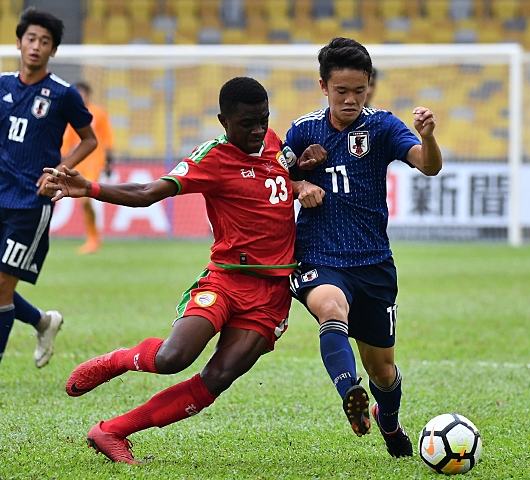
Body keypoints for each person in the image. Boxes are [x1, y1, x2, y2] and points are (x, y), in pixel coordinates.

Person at [44, 76, 324, 464]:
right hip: (226, 280)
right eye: (247, 124)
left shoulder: (275, 144)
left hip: (271, 295)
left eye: (263, 120)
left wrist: (301, 176)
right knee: (173, 357)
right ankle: (117, 360)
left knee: (217, 378)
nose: (258, 130)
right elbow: (147, 193)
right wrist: (91, 188)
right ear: (224, 121)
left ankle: (112, 431)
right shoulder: (213, 157)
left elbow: (277, 177)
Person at [285, 37, 442, 458]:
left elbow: (428, 165)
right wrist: (299, 185)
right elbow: (273, 180)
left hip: (373, 263)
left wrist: (428, 138)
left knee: (383, 370)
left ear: (369, 86)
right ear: (324, 86)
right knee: (330, 307)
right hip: (318, 255)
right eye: (342, 91)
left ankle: (388, 420)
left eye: (360, 90)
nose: (351, 99)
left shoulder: (383, 126)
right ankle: (349, 392)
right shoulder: (302, 131)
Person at [0, 8, 97, 367]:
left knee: (2, 286)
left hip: (31, 202)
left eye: (45, 41)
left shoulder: (63, 94)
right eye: (31, 39)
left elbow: (89, 140)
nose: (36, 46)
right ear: (18, 43)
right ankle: (43, 321)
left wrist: (59, 171)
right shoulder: (2, 85)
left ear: (53, 50)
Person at [61, 81, 114, 254]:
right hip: (77, 164)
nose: (81, 96)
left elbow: (107, 136)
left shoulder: (98, 113)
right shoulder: (70, 113)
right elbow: (67, 140)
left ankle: (93, 239)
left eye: (83, 93)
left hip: (94, 162)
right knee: (83, 202)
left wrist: (109, 160)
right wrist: (63, 160)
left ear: (89, 95)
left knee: (85, 199)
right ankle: (93, 237)